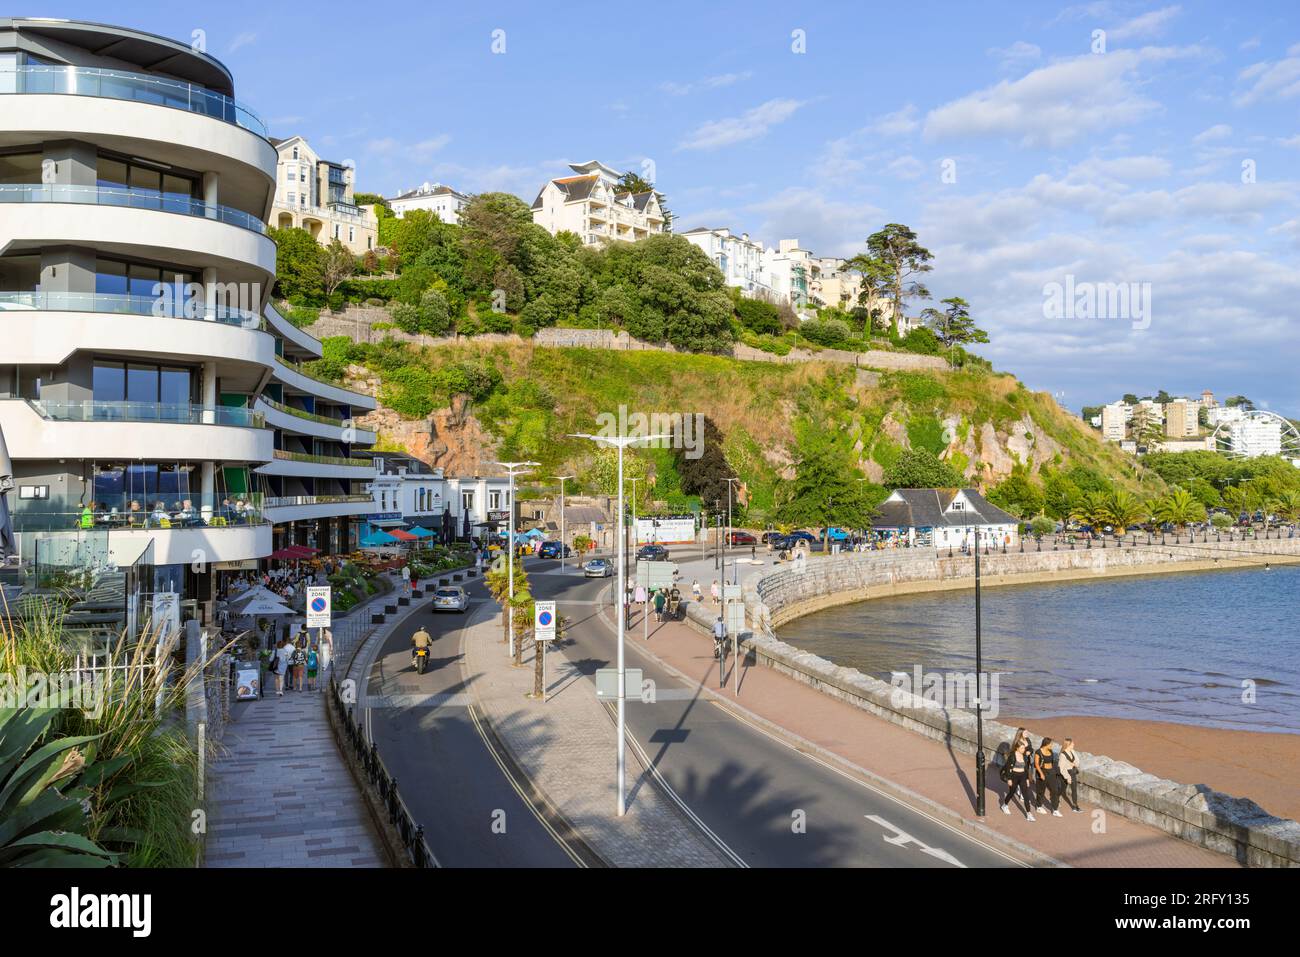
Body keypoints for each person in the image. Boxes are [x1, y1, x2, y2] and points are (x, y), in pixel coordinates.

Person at [999, 737, 1035, 820]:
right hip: (1014, 776)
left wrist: (1027, 779)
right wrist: (1009, 779)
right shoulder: (1012, 756)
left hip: (1022, 776)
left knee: (1026, 795)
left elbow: (1026, 769)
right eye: (1022, 748)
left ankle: (1029, 814)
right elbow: (1008, 769)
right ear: (1017, 748)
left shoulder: (1024, 756)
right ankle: (1004, 805)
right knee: (1011, 792)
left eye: (1024, 748)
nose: (1024, 750)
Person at [1033, 737, 1062, 816]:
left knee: (1055, 790)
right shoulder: (1038, 752)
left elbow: (1052, 762)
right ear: (1046, 744)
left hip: (1051, 772)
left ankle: (1055, 809)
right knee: (1041, 791)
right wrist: (1041, 774)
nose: (1052, 745)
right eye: (1051, 744)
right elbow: (1036, 764)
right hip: (1043, 772)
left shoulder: (1050, 751)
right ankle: (1039, 806)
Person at [1058, 737, 1082, 812]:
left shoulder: (1072, 751)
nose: (1074, 744)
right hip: (1066, 773)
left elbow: (1077, 760)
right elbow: (1061, 768)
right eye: (1072, 743)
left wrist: (1075, 764)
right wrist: (1067, 777)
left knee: (1074, 790)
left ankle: (1075, 806)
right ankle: (1056, 799)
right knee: (1062, 789)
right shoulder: (1062, 755)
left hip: (1073, 772)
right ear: (1068, 745)